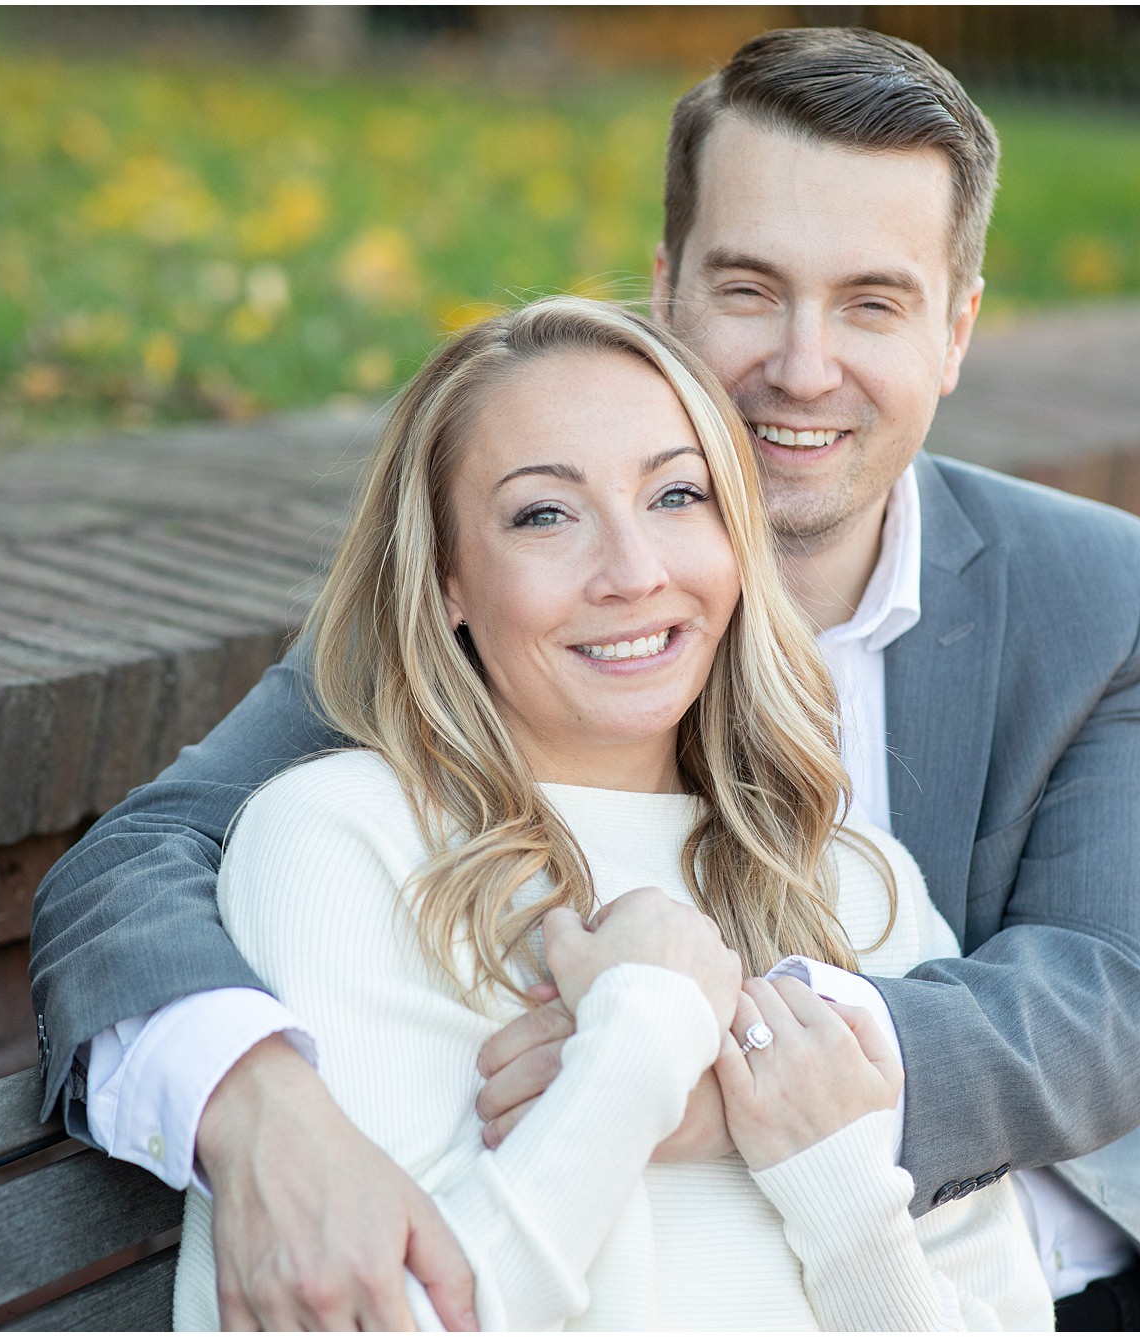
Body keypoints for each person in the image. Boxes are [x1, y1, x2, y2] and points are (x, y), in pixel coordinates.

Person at [31, 26, 1140, 1331]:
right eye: (750, 289)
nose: (802, 364)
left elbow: (1108, 1010)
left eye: (872, 302)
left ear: (956, 330)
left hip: (1060, 1275)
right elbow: (143, 859)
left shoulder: (1090, 588)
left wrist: (735, 1061)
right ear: (668, 291)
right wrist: (259, 1100)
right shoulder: (489, 633)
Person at [170, 295, 1056, 1330]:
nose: (634, 573)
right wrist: (648, 1026)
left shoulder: (851, 881)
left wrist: (833, 1172)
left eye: (677, 495)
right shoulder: (341, 841)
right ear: (447, 577)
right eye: (544, 513)